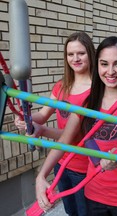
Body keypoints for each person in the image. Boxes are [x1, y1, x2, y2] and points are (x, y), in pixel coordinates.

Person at [36, 36, 117, 216]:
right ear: (97, 64)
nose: (110, 71)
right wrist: (41, 176)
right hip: (93, 195)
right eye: (104, 64)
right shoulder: (87, 103)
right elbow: (64, 141)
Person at [15, 31, 95, 216]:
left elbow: (76, 136)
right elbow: (42, 115)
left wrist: (41, 130)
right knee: (70, 211)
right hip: (61, 163)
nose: (75, 58)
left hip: (84, 167)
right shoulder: (62, 85)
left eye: (80, 53)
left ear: (90, 53)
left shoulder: (96, 91)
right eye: (70, 54)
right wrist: (26, 117)